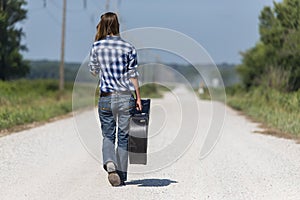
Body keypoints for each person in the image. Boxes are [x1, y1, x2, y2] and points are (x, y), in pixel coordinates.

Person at [88, 12, 142, 187]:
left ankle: (110, 162)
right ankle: (122, 175)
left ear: (102, 26)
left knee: (108, 136)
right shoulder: (129, 48)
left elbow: (94, 71)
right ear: (117, 25)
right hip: (126, 98)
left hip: (106, 98)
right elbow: (133, 75)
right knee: (124, 136)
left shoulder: (97, 47)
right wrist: (138, 98)